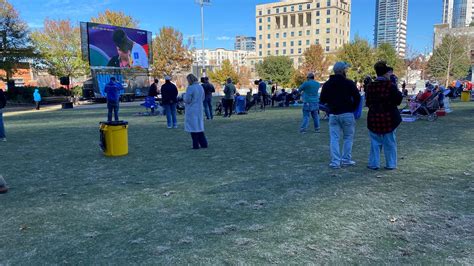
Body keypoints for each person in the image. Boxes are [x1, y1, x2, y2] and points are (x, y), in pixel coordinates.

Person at [320, 62, 361, 169]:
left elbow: (322, 100)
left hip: (333, 114)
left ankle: (335, 161)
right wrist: (352, 108)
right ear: (343, 70)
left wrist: (330, 107)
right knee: (348, 137)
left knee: (334, 138)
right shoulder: (349, 83)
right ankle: (346, 159)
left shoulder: (327, 84)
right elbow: (357, 97)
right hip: (347, 112)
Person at [365, 61, 403, 170]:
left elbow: (368, 102)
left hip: (374, 117)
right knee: (390, 142)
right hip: (389, 117)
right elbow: (398, 99)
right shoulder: (390, 85)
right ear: (386, 74)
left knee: (375, 142)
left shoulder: (370, 86)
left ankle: (374, 163)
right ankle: (391, 164)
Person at [184, 74, 208, 149]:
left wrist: (183, 97)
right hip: (199, 108)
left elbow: (187, 100)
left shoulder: (190, 88)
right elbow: (203, 98)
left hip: (192, 109)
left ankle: (195, 144)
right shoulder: (200, 87)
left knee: (193, 127)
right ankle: (203, 143)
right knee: (199, 126)